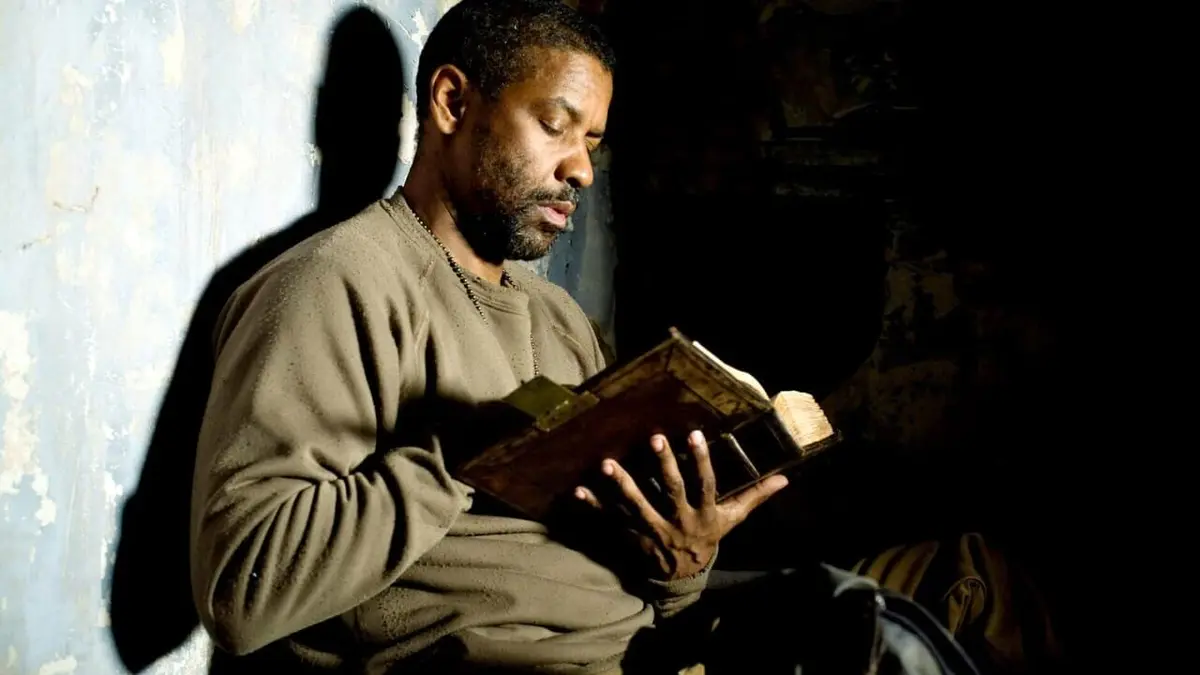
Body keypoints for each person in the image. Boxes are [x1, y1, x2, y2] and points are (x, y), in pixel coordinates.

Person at [190, 2, 976, 674]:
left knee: (891, 609)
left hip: (648, 650)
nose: (582, 171)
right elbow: (239, 592)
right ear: (453, 102)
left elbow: (634, 585)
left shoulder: (560, 319)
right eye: (555, 127)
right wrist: (462, 455)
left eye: (593, 143)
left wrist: (684, 558)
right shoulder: (335, 283)